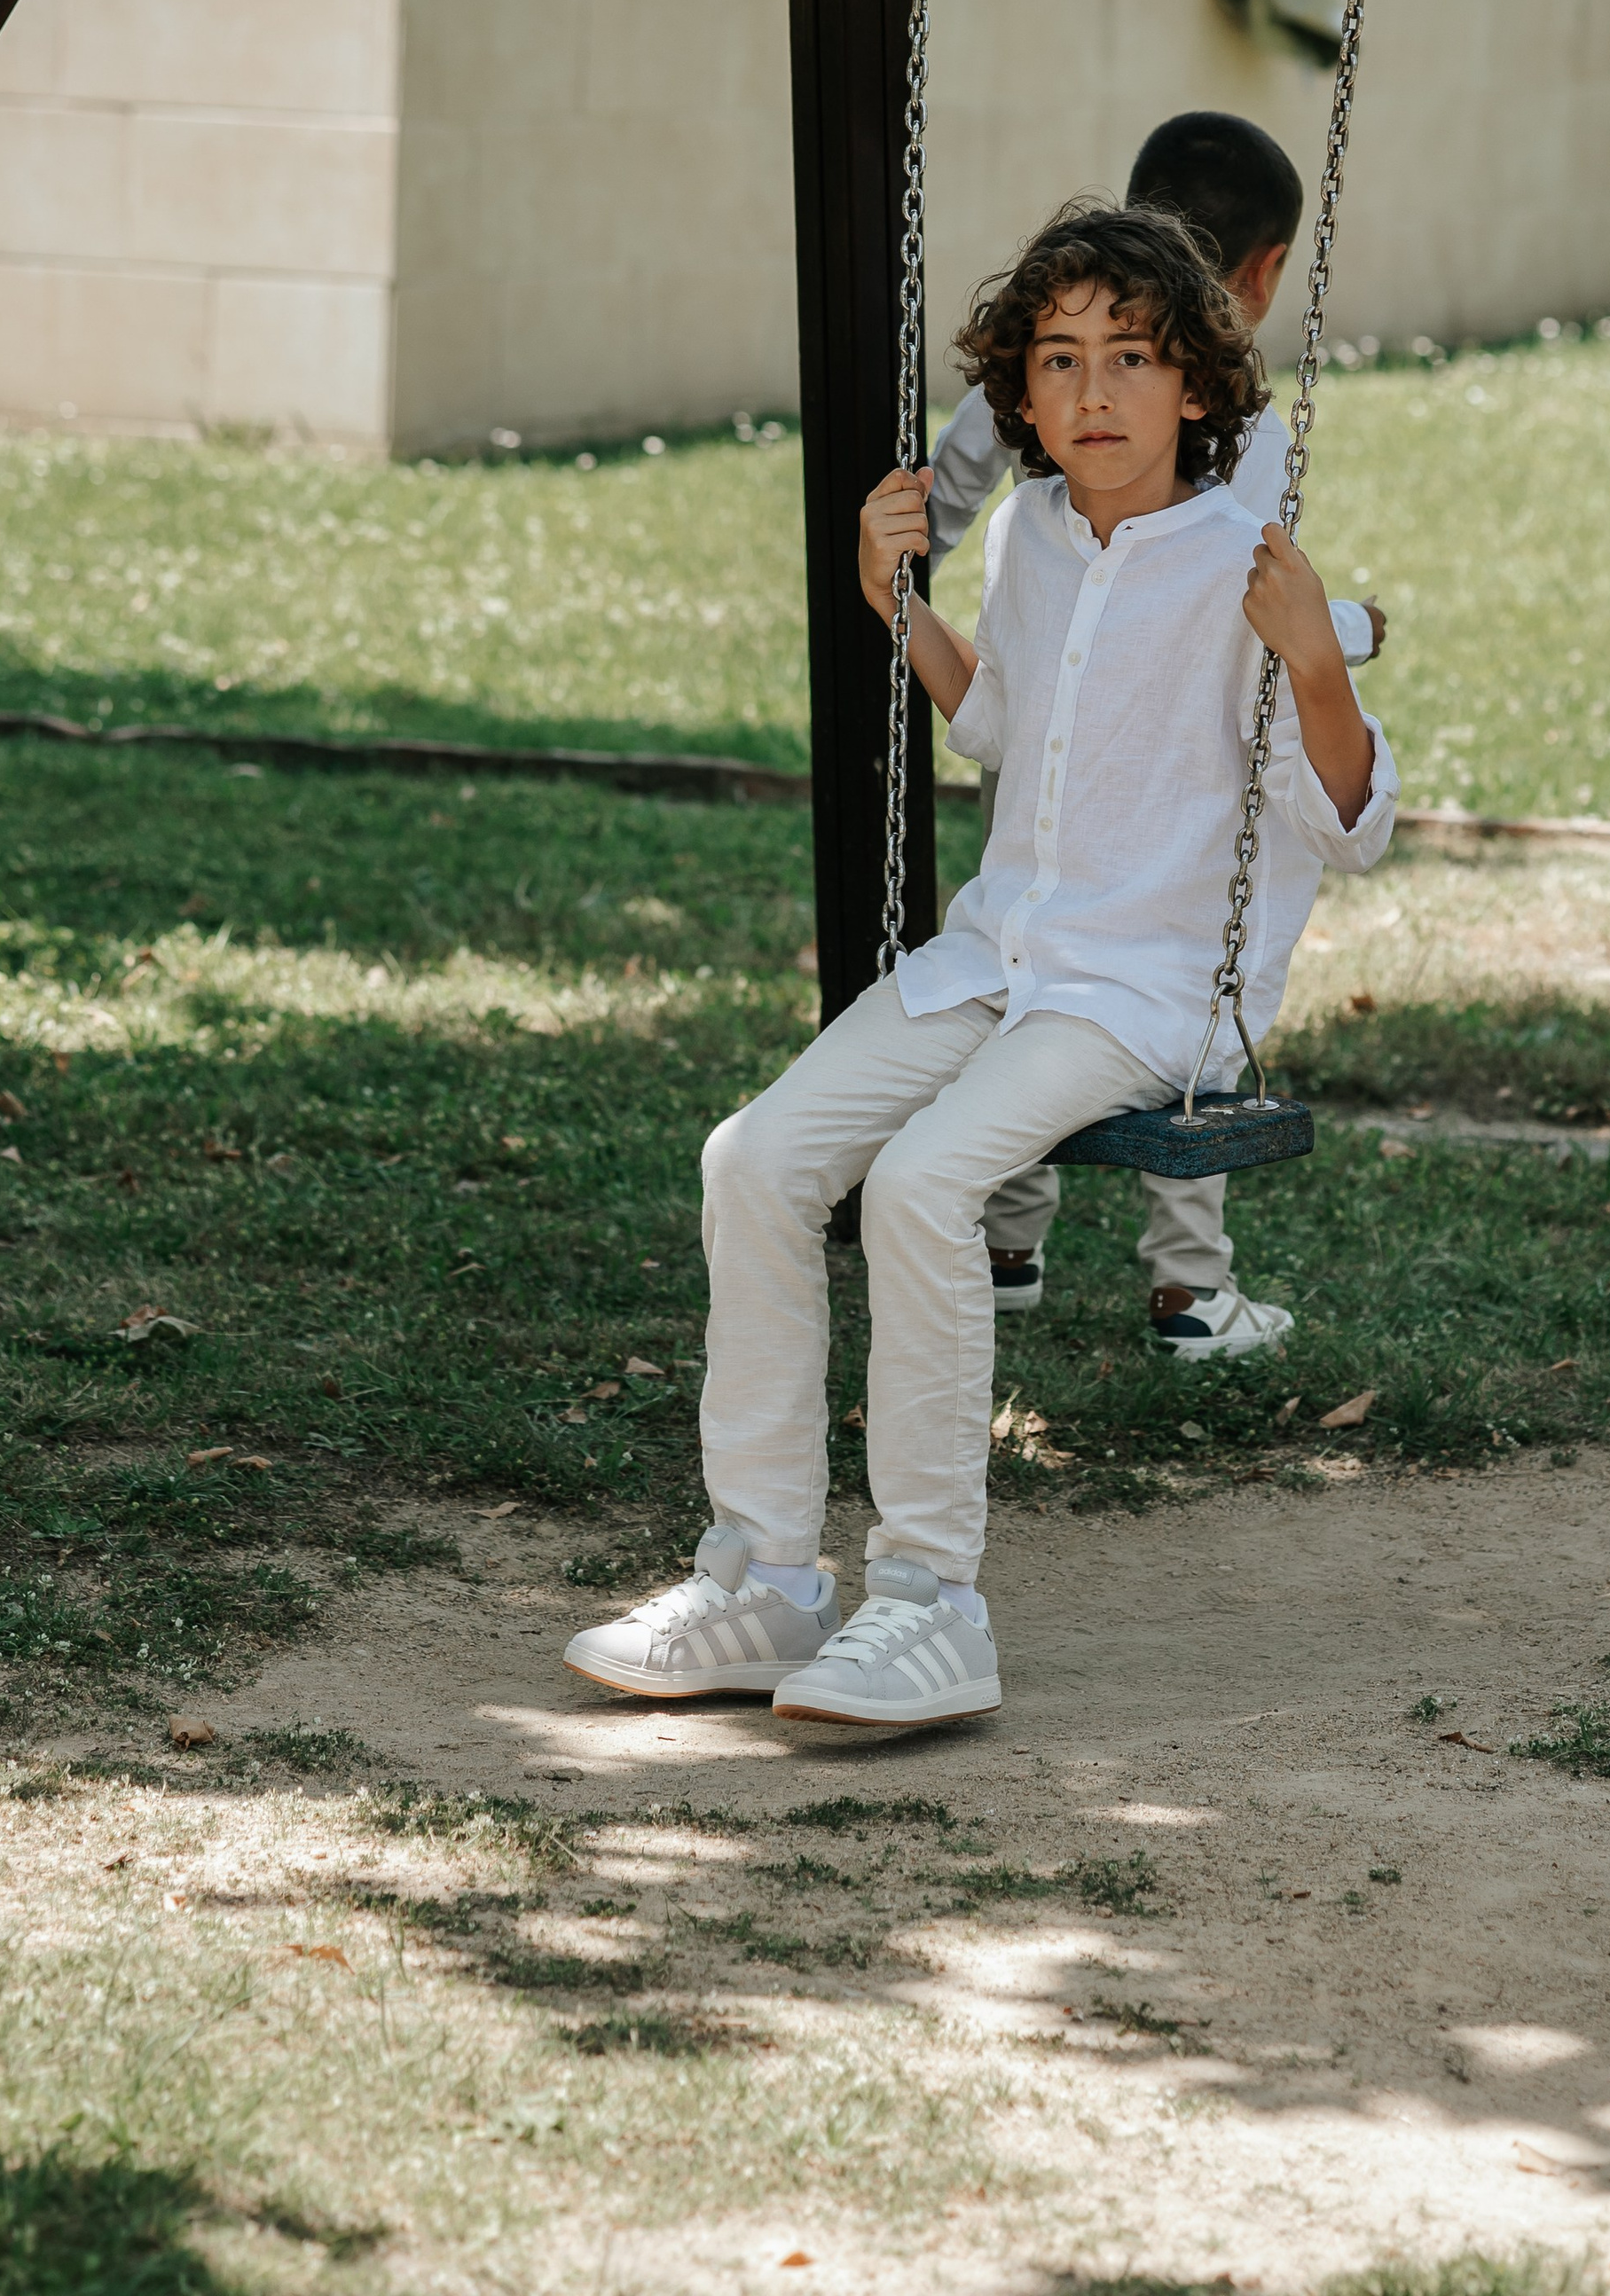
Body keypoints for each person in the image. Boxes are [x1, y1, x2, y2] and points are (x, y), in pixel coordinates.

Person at [563, 201, 1398, 1729]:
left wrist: (1317, 661)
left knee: (926, 1186)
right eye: (1058, 361)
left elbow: (1349, 828)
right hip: (997, 957)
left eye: (1131, 360)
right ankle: (763, 1576)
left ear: (1197, 389)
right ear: (1018, 396)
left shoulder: (1247, 566)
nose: (1092, 394)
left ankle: (928, 1601)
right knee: (753, 1162)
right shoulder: (1024, 536)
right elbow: (1004, 724)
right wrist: (908, 612)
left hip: (1142, 989)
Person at [929, 109, 1384, 1360]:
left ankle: (1007, 1242)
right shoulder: (1235, 425)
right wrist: (1353, 626)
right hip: (1155, 756)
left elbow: (947, 492)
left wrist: (956, 583)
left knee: (1040, 959)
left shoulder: (1033, 361)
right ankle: (1186, 1284)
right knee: (1172, 960)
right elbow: (1236, 595)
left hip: (1038, 730)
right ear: (1265, 275)